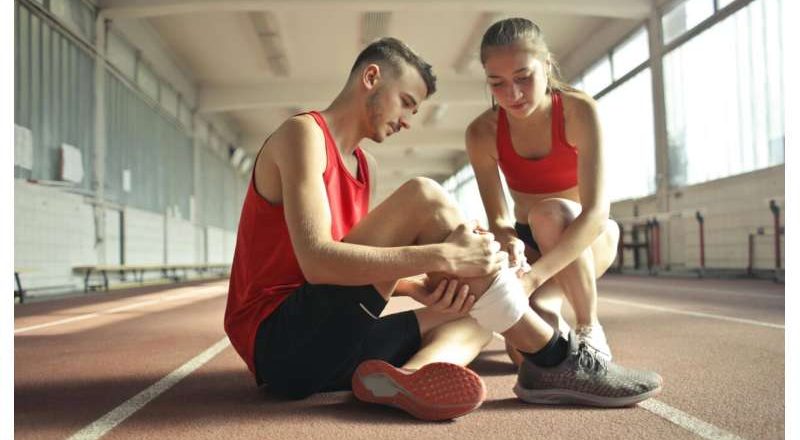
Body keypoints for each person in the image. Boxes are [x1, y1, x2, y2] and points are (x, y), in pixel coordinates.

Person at [224, 37, 661, 422]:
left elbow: (348, 271)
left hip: (326, 351)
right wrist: (443, 257)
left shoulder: (366, 166)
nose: (408, 121)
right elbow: (318, 264)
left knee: (474, 306)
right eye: (407, 103)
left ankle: (410, 377)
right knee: (423, 195)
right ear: (372, 78)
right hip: (280, 345)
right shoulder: (303, 135)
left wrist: (418, 286)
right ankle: (554, 356)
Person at [466, 17, 620, 364]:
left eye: (523, 78)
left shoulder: (579, 111)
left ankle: (588, 327)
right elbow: (500, 218)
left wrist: (533, 278)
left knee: (549, 214)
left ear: (546, 65)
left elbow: (596, 213)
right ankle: (551, 308)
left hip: (587, 236)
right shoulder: (482, 133)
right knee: (524, 356)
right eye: (497, 83)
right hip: (531, 244)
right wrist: (508, 242)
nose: (513, 94)